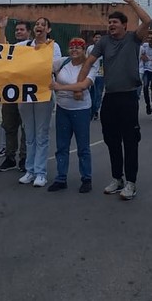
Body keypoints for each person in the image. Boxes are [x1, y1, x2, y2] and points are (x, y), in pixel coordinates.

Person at [82, 0, 151, 201]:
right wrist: (78, 85)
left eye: (115, 22)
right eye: (109, 22)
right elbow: (89, 62)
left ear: (124, 25)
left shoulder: (134, 39)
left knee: (130, 141)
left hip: (129, 97)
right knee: (111, 140)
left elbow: (147, 20)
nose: (111, 25)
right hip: (110, 97)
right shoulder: (103, 42)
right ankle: (117, 178)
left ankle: (131, 182)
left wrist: (130, 2)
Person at [49, 38, 98, 193]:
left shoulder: (90, 66)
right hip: (63, 109)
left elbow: (84, 85)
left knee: (83, 147)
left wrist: (60, 87)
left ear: (84, 50)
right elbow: (44, 66)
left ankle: (86, 178)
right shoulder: (62, 62)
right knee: (62, 146)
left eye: (78, 48)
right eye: (71, 47)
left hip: (81, 110)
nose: (74, 50)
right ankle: (61, 178)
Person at [18, 17, 61, 188]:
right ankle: (30, 171)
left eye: (43, 25)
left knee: (41, 134)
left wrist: (38, 58)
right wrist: (1, 29)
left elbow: (54, 66)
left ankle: (40, 172)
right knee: (29, 134)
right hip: (26, 94)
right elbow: (5, 54)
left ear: (48, 30)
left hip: (43, 93)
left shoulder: (53, 46)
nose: (39, 27)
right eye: (37, 24)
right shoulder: (24, 46)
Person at [0, 20, 30, 172]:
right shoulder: (12, 48)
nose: (18, 32)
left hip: (26, 93)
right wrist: (2, 29)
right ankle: (10, 157)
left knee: (25, 127)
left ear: (28, 32)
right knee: (9, 125)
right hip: (10, 92)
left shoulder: (33, 47)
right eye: (17, 30)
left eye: (22, 30)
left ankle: (24, 158)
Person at [87, 33, 104, 121]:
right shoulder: (90, 48)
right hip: (92, 74)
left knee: (98, 94)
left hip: (101, 74)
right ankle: (91, 110)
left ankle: (96, 110)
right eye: (96, 37)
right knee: (92, 93)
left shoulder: (104, 48)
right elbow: (87, 60)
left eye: (99, 37)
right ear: (93, 38)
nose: (97, 39)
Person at [139, 33, 152, 115]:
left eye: (151, 38)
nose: (149, 40)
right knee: (145, 87)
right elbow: (140, 52)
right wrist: (142, 56)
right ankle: (148, 105)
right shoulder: (145, 46)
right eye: (148, 38)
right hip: (146, 70)